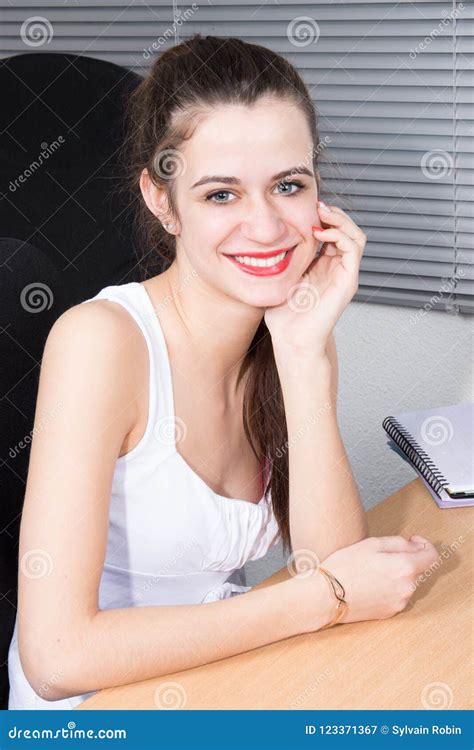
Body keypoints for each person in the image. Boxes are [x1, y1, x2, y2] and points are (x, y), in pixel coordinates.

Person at [8, 34, 439, 709]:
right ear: (162, 200)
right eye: (220, 195)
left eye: (288, 185)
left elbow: (336, 570)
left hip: (219, 682)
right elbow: (55, 660)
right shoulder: (100, 343)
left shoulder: (293, 330)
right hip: (96, 710)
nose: (266, 227)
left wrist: (301, 356)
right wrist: (320, 598)